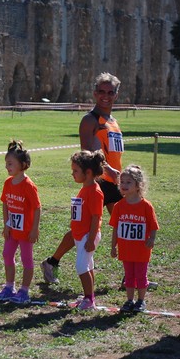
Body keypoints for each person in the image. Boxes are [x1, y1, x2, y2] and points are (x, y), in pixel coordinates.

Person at [41, 72, 124, 284]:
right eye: (101, 91)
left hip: (114, 182)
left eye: (110, 92)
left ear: (116, 94)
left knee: (124, 223)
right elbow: (88, 155)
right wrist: (110, 172)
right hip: (97, 182)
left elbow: (113, 153)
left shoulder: (113, 121)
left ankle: (131, 275)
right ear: (95, 93)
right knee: (83, 229)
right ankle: (52, 262)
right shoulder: (89, 120)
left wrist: (120, 174)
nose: (105, 96)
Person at [0, 141, 41, 304]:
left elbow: (37, 208)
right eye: (6, 164)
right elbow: (5, 203)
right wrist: (6, 224)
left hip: (26, 231)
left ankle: (24, 291)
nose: (7, 167)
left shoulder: (28, 185)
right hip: (12, 230)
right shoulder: (8, 183)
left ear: (23, 165)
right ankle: (9, 287)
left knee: (27, 259)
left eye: (10, 164)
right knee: (7, 254)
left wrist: (34, 229)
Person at [110, 165, 159, 312]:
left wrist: (152, 239)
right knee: (129, 277)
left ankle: (141, 301)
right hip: (126, 249)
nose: (124, 185)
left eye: (128, 182)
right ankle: (129, 300)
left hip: (141, 249)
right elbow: (115, 228)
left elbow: (154, 225)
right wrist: (113, 246)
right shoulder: (119, 206)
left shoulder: (146, 206)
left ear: (138, 185)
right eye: (122, 182)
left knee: (141, 276)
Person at [68, 150, 105, 311]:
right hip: (81, 235)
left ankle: (90, 300)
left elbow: (96, 217)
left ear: (88, 173)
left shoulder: (95, 192)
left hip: (87, 235)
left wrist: (90, 239)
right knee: (88, 266)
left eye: (76, 171)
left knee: (81, 267)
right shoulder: (85, 188)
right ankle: (88, 296)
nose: (72, 174)